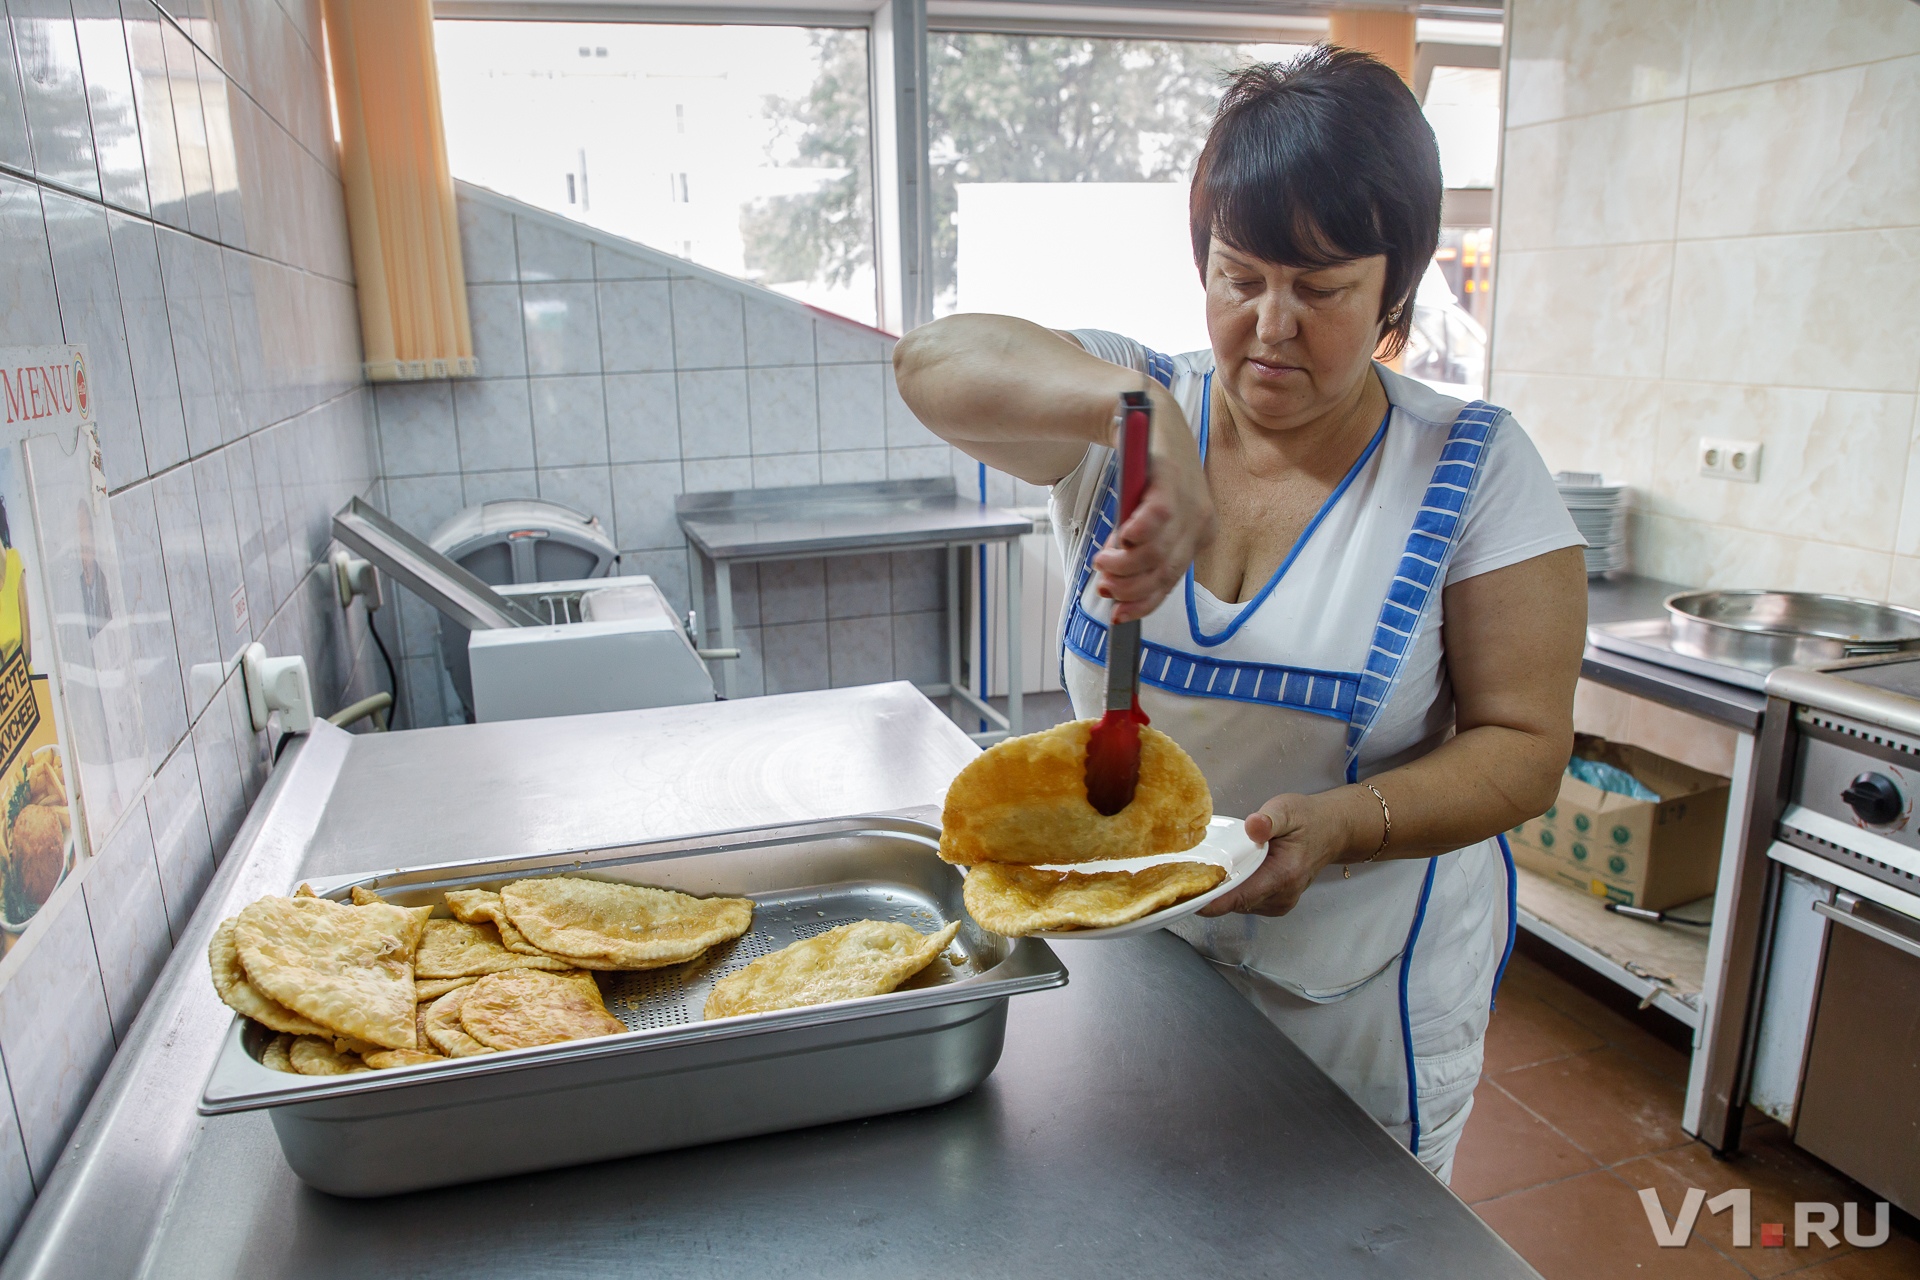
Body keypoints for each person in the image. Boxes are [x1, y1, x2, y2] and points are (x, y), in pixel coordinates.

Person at [894, 48, 1587, 1181]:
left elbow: (1525, 747)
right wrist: (1143, 416)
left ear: (1394, 290)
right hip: (1139, 971)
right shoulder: (1125, 402)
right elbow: (932, 361)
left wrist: (1340, 826)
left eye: (1320, 290)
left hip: (1357, 1000)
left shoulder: (1474, 469)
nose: (1271, 323)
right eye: (1239, 274)